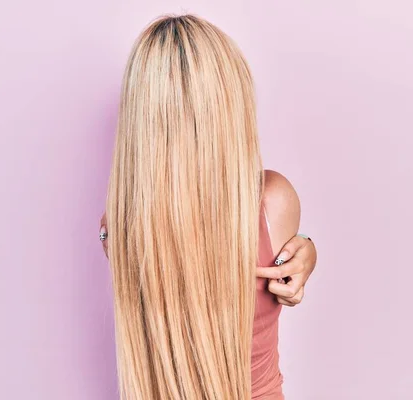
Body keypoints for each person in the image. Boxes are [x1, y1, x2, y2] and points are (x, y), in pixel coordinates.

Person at [101, 14, 317, 399]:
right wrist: (306, 248)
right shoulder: (273, 202)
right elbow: (283, 264)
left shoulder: (116, 226)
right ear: (229, 106)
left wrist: (305, 249)